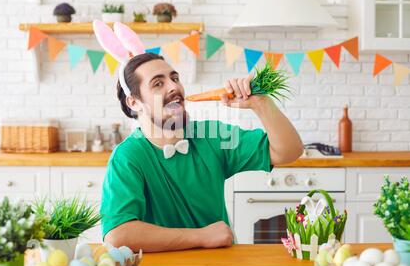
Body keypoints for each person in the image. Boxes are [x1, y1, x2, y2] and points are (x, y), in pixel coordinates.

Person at [100, 52, 303, 252]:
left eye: (175, 78)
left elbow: (288, 151)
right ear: (134, 102)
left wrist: (260, 104)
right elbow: (118, 236)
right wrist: (201, 237)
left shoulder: (211, 136)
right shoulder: (128, 157)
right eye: (158, 83)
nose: (174, 87)